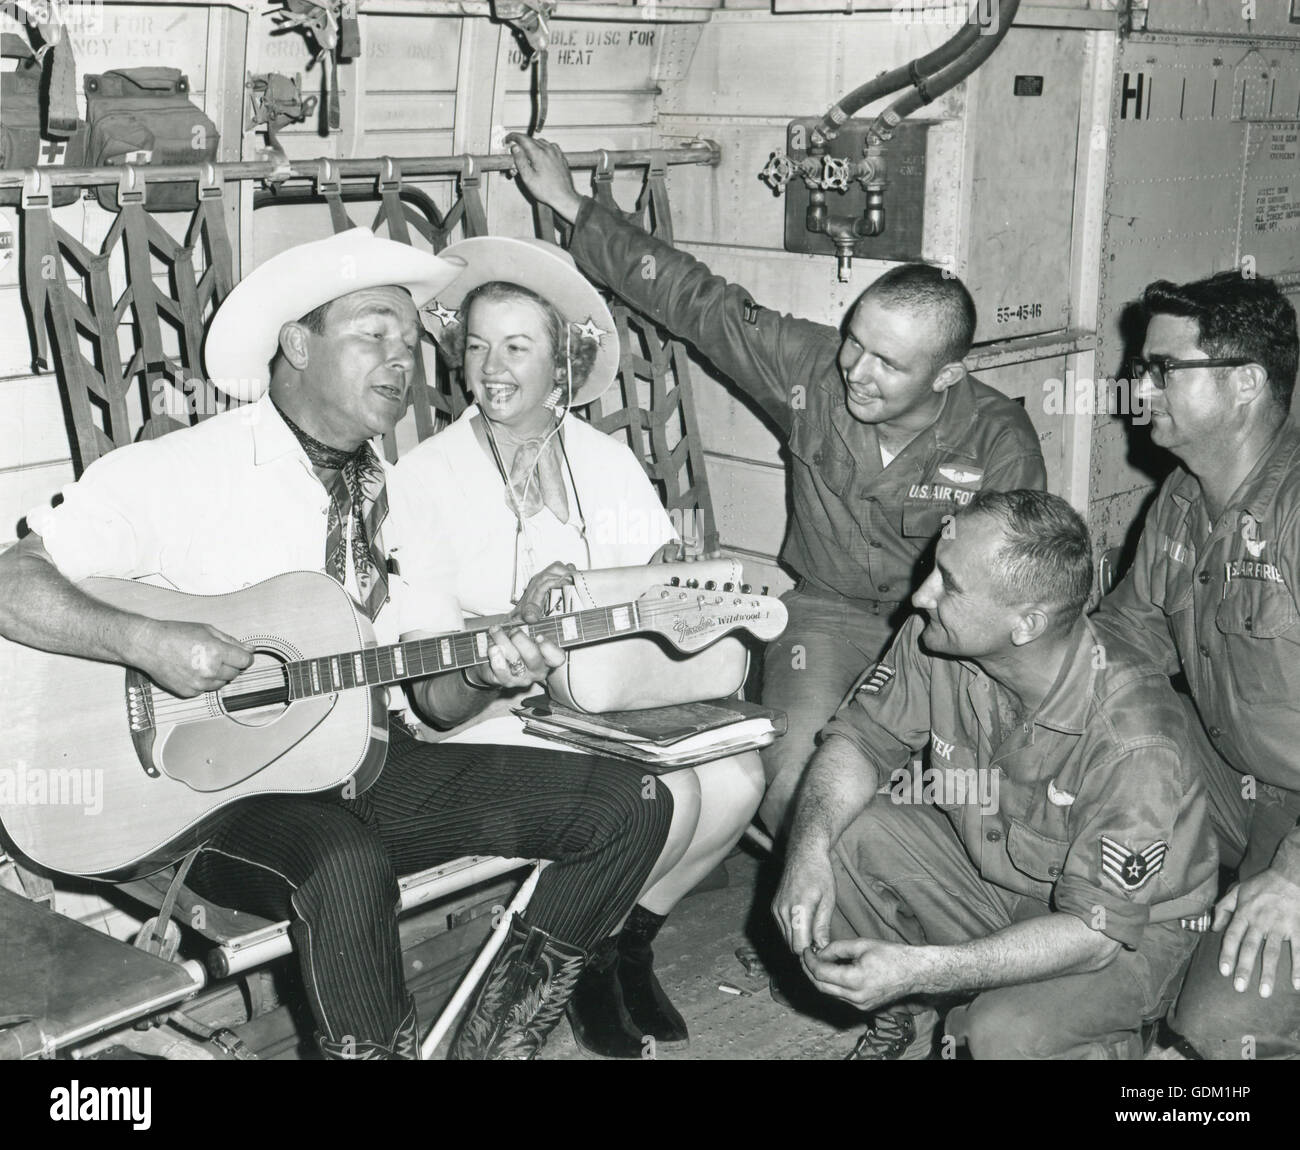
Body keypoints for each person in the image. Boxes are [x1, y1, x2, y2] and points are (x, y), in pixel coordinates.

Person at [0, 228, 680, 1061]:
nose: (403, 361)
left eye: (409, 342)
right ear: (297, 343)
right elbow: (13, 585)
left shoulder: (394, 502)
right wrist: (147, 640)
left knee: (630, 802)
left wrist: (492, 669)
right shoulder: (184, 469)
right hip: (201, 800)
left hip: (360, 765)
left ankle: (489, 1050)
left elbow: (435, 695)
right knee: (347, 860)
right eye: (373, 334)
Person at [504, 133, 1048, 837]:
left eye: (887, 362)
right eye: (855, 339)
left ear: (946, 376)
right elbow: (696, 300)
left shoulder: (999, 439)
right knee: (794, 785)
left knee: (973, 797)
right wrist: (573, 205)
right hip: (826, 614)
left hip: (947, 626)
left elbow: (1019, 591)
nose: (855, 369)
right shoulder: (810, 368)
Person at [397, 234, 765, 1058]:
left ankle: (621, 944)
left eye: (517, 347)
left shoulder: (606, 461)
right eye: (478, 346)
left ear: (560, 365)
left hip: (604, 693)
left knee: (739, 783)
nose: (491, 367)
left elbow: (653, 591)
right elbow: (426, 649)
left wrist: (671, 571)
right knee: (673, 798)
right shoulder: (424, 475)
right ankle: (583, 955)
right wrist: (504, 636)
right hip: (497, 704)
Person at [773, 490, 1217, 1059]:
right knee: (840, 834)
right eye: (935, 566)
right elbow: (860, 741)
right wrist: (807, 850)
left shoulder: (1133, 734)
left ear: (1026, 624)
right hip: (1004, 879)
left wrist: (924, 968)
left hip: (1129, 932)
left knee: (996, 1035)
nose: (921, 594)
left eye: (948, 585)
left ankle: (1116, 1038)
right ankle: (897, 1012)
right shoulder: (937, 641)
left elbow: (1095, 933)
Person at [1093, 271, 1300, 1059]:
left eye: (1161, 368)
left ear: (1245, 382)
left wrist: (1293, 876)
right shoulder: (1184, 496)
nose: (1135, 385)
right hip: (1240, 781)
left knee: (1222, 1027)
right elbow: (1125, 644)